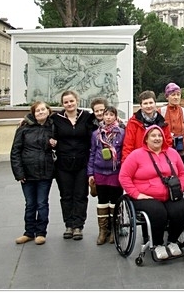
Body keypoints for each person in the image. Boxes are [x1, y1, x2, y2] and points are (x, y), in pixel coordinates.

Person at [118, 124, 184, 261]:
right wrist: (136, 194)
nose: (157, 138)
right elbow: (124, 177)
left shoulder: (172, 153)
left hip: (170, 194)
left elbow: (182, 173)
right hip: (145, 197)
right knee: (158, 212)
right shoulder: (136, 155)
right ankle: (157, 243)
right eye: (153, 136)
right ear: (146, 139)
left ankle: (173, 241)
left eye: (159, 135)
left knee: (180, 210)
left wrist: (181, 188)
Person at [51, 90, 97, 240]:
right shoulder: (56, 118)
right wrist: (26, 120)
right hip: (63, 164)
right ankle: (69, 225)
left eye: (71, 101)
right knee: (66, 195)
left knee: (80, 195)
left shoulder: (87, 117)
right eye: (66, 102)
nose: (69, 104)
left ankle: (78, 225)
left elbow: (102, 122)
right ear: (62, 104)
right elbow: (39, 119)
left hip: (82, 163)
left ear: (77, 101)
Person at [10, 101, 56, 245]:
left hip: (45, 172)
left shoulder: (54, 126)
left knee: (42, 203)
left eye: (43, 109)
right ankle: (29, 232)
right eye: (38, 110)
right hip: (27, 173)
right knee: (30, 204)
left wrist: (56, 144)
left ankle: (41, 232)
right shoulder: (24, 128)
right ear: (33, 114)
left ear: (48, 111)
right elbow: (15, 151)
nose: (41, 112)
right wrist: (19, 173)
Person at [87, 105, 125, 245]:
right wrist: (90, 173)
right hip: (99, 172)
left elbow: (125, 152)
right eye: (106, 114)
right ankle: (103, 231)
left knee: (115, 202)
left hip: (115, 172)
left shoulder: (122, 133)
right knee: (102, 202)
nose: (108, 117)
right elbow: (92, 153)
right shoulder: (96, 134)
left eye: (111, 115)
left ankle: (115, 229)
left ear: (115, 116)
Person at [122, 90, 171, 163]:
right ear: (141, 106)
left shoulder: (163, 123)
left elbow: (168, 144)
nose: (148, 106)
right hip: (139, 161)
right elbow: (128, 145)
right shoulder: (133, 122)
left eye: (151, 103)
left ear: (155, 104)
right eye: (145, 103)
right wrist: (126, 164)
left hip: (159, 160)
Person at [160, 82, 184, 169]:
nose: (176, 97)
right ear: (167, 97)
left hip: (182, 152)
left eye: (178, 94)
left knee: (182, 175)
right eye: (173, 95)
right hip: (165, 152)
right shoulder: (161, 112)